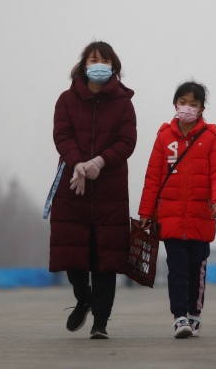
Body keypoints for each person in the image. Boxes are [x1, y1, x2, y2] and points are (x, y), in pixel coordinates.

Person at [50, 41, 137, 340]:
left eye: (104, 60)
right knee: (72, 255)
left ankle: (101, 321)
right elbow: (61, 135)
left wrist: (100, 162)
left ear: (113, 66)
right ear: (83, 64)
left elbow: (127, 141)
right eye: (92, 59)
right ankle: (83, 297)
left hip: (109, 191)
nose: (98, 64)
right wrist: (78, 164)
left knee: (105, 259)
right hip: (73, 187)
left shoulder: (123, 103)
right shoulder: (66, 100)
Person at [138, 81, 216, 339]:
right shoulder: (164, 137)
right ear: (175, 103)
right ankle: (179, 318)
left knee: (196, 269)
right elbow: (153, 177)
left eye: (194, 103)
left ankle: (194, 315)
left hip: (202, 217)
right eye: (183, 101)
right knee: (176, 269)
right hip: (171, 219)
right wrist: (146, 213)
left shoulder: (211, 138)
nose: (187, 107)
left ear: (201, 108)